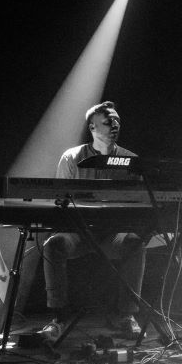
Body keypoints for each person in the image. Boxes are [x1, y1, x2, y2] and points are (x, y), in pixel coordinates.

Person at [39, 101, 147, 344]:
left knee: (135, 244)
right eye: (108, 121)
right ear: (92, 127)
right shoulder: (72, 157)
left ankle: (126, 316)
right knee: (53, 245)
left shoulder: (131, 160)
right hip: (78, 232)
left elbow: (139, 201)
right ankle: (58, 317)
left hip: (112, 234)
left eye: (117, 121)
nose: (115, 125)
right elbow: (59, 199)